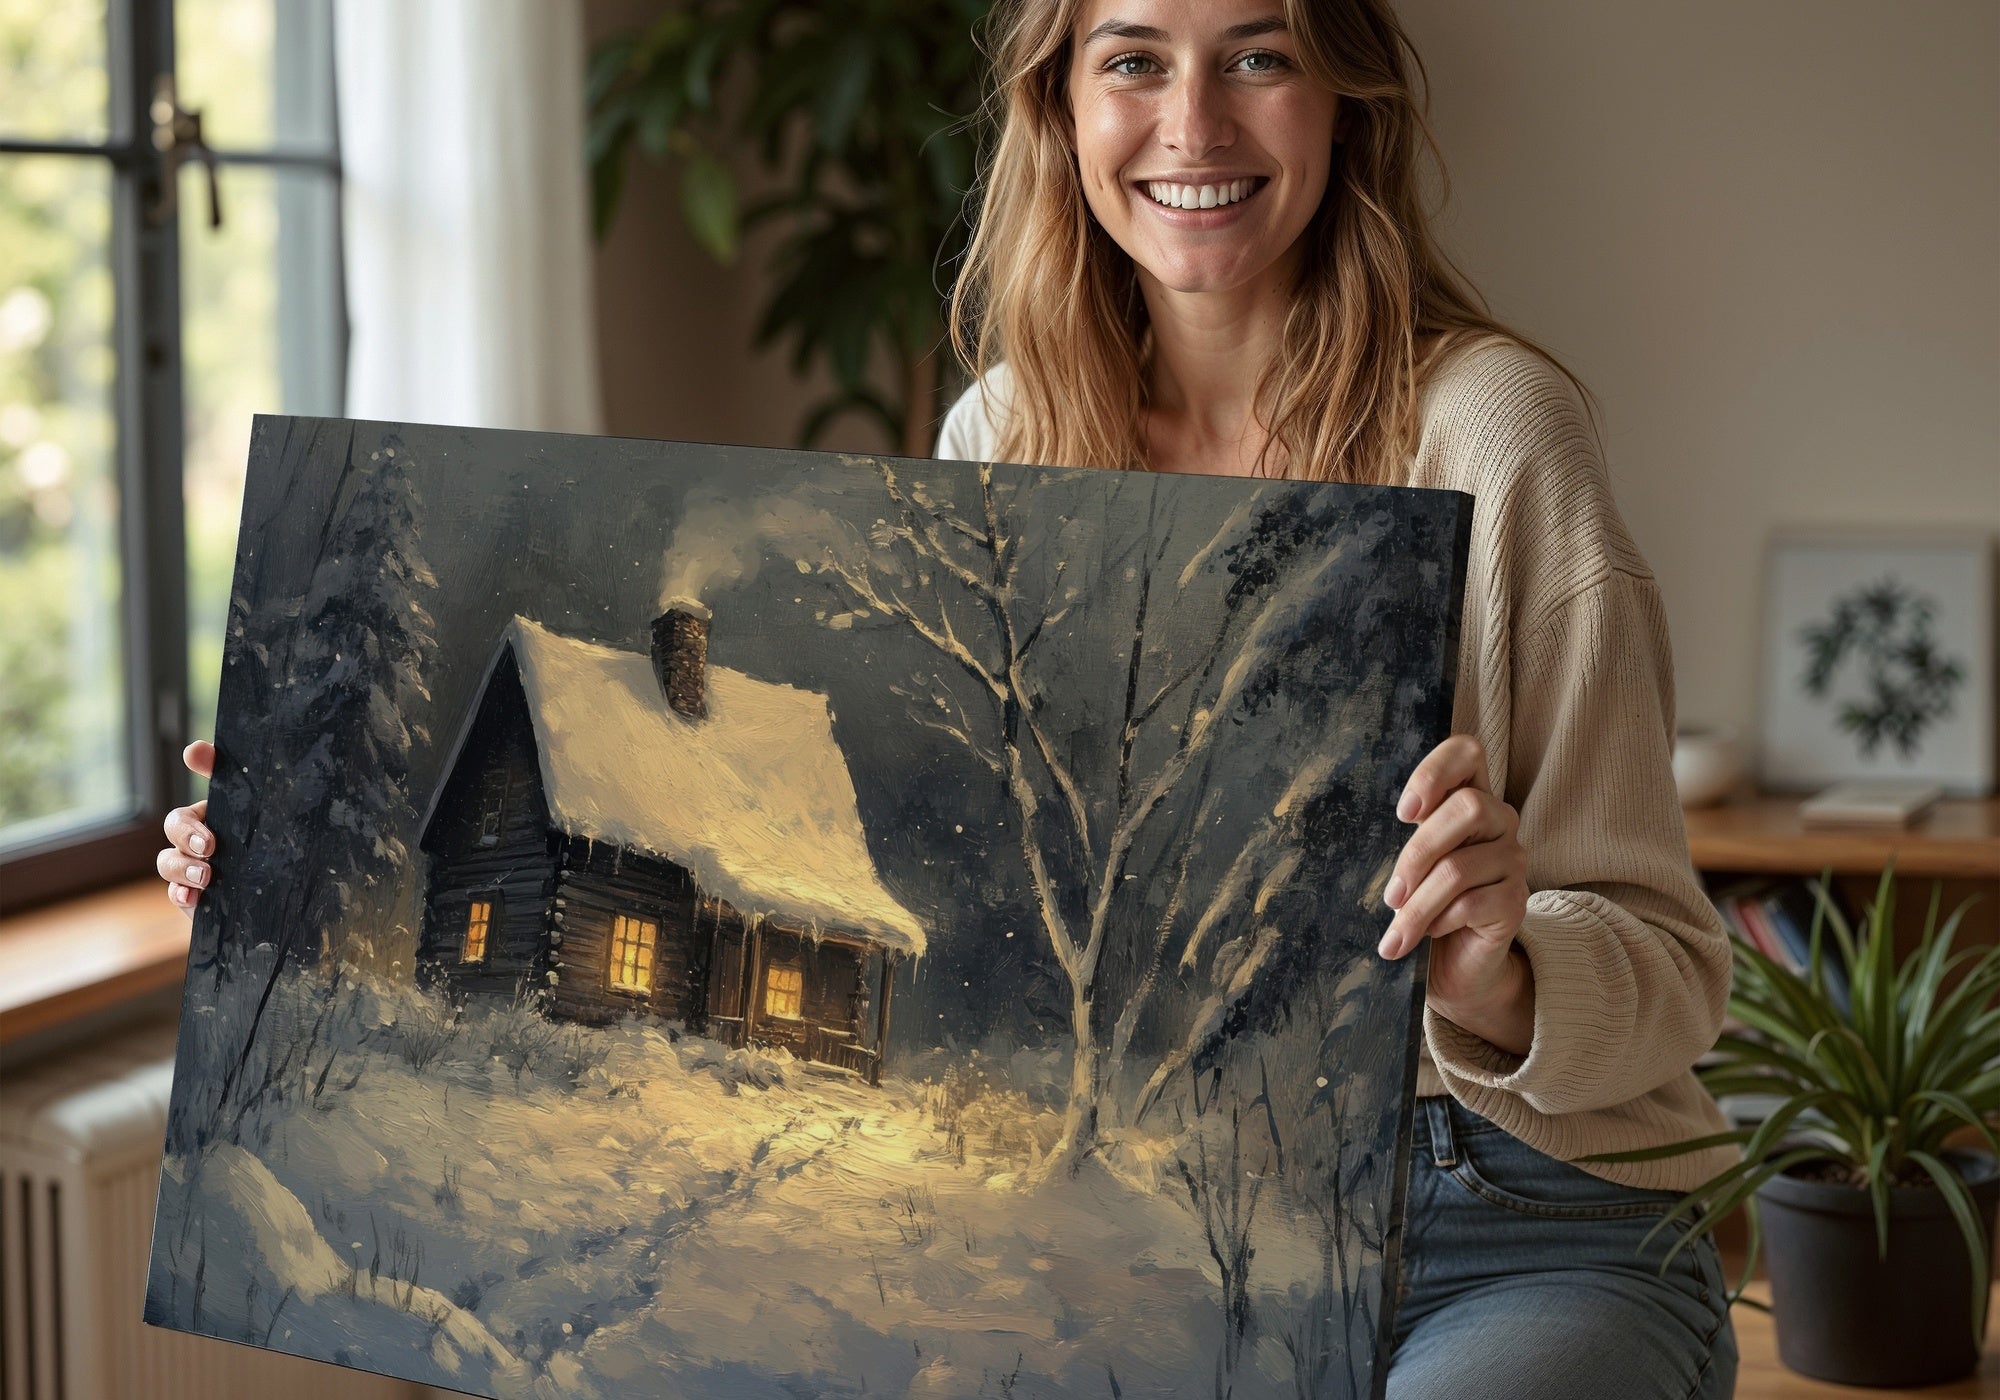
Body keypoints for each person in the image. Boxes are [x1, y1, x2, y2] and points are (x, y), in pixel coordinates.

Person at [159, 0, 1738, 1393]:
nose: (1195, 125)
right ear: (1059, 106)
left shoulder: (1490, 433)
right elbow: (942, 890)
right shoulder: (1004, 441)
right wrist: (281, 886)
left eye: (1259, 55)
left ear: (1344, 96)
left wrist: (1504, 977)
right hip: (1199, 1239)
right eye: (1135, 60)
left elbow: (1676, 968)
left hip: (1520, 1218)